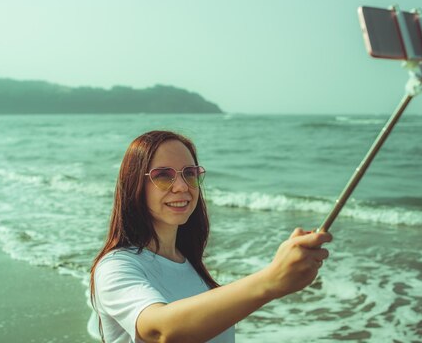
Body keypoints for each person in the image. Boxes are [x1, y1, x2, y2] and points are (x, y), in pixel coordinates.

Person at [90, 130, 332, 343]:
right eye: (163, 175)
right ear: (134, 186)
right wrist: (270, 281)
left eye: (190, 173)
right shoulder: (116, 267)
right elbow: (161, 331)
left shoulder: (188, 263)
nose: (183, 186)